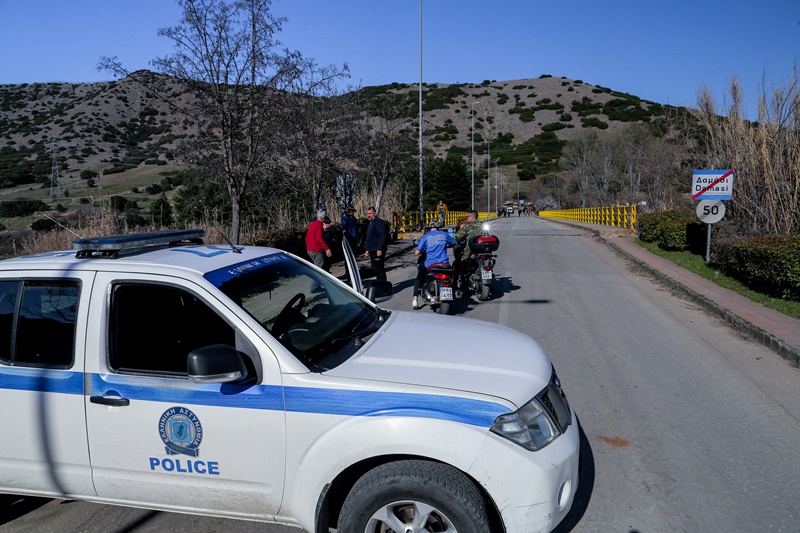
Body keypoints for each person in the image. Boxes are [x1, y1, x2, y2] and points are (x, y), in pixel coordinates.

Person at [412, 222, 456, 309]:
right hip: (444, 263)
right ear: (438, 226)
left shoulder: (426, 236)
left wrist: (419, 250)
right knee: (452, 276)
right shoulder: (444, 235)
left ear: (429, 227)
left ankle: (415, 300)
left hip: (430, 264)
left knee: (419, 279)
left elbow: (417, 252)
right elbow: (454, 243)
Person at [453, 210, 483, 289]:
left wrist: (461, 229)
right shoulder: (482, 225)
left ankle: (454, 287)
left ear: (472, 217)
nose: (467, 218)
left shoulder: (468, 226)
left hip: (470, 252)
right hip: (483, 251)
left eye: (467, 217)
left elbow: (457, 237)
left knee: (456, 264)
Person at [364, 207, 388, 282]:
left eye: (370, 213)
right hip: (372, 250)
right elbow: (371, 237)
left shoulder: (379, 222)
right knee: (375, 269)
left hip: (377, 250)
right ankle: (379, 285)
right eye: (367, 214)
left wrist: (380, 249)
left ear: (375, 213)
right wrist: (368, 249)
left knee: (379, 269)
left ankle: (384, 286)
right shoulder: (372, 223)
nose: (368, 215)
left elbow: (382, 236)